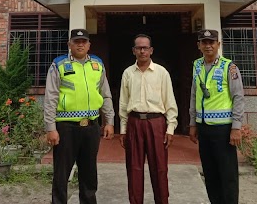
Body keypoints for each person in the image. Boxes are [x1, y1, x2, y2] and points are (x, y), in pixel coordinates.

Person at [44, 28, 115, 204]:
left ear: (89, 45)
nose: (80, 44)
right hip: (66, 128)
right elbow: (51, 97)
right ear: (70, 44)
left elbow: (105, 94)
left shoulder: (97, 65)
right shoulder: (59, 64)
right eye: (76, 42)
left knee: (89, 174)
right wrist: (50, 128)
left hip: (91, 127)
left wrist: (109, 121)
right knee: (62, 174)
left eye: (84, 41)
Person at [119, 34, 178, 204]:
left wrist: (170, 128)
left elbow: (170, 102)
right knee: (134, 169)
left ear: (151, 50)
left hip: (156, 123)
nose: (142, 50)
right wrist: (123, 130)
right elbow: (123, 103)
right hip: (134, 123)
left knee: (159, 169)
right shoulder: (128, 73)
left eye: (145, 47)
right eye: (139, 47)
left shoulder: (161, 72)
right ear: (133, 51)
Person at [189, 29, 245, 204]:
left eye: (211, 42)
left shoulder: (229, 67)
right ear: (199, 45)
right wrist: (192, 123)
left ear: (218, 45)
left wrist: (236, 127)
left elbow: (238, 97)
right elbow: (194, 94)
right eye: (204, 42)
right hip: (204, 128)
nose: (208, 46)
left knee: (227, 175)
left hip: (224, 129)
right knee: (210, 173)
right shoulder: (197, 65)